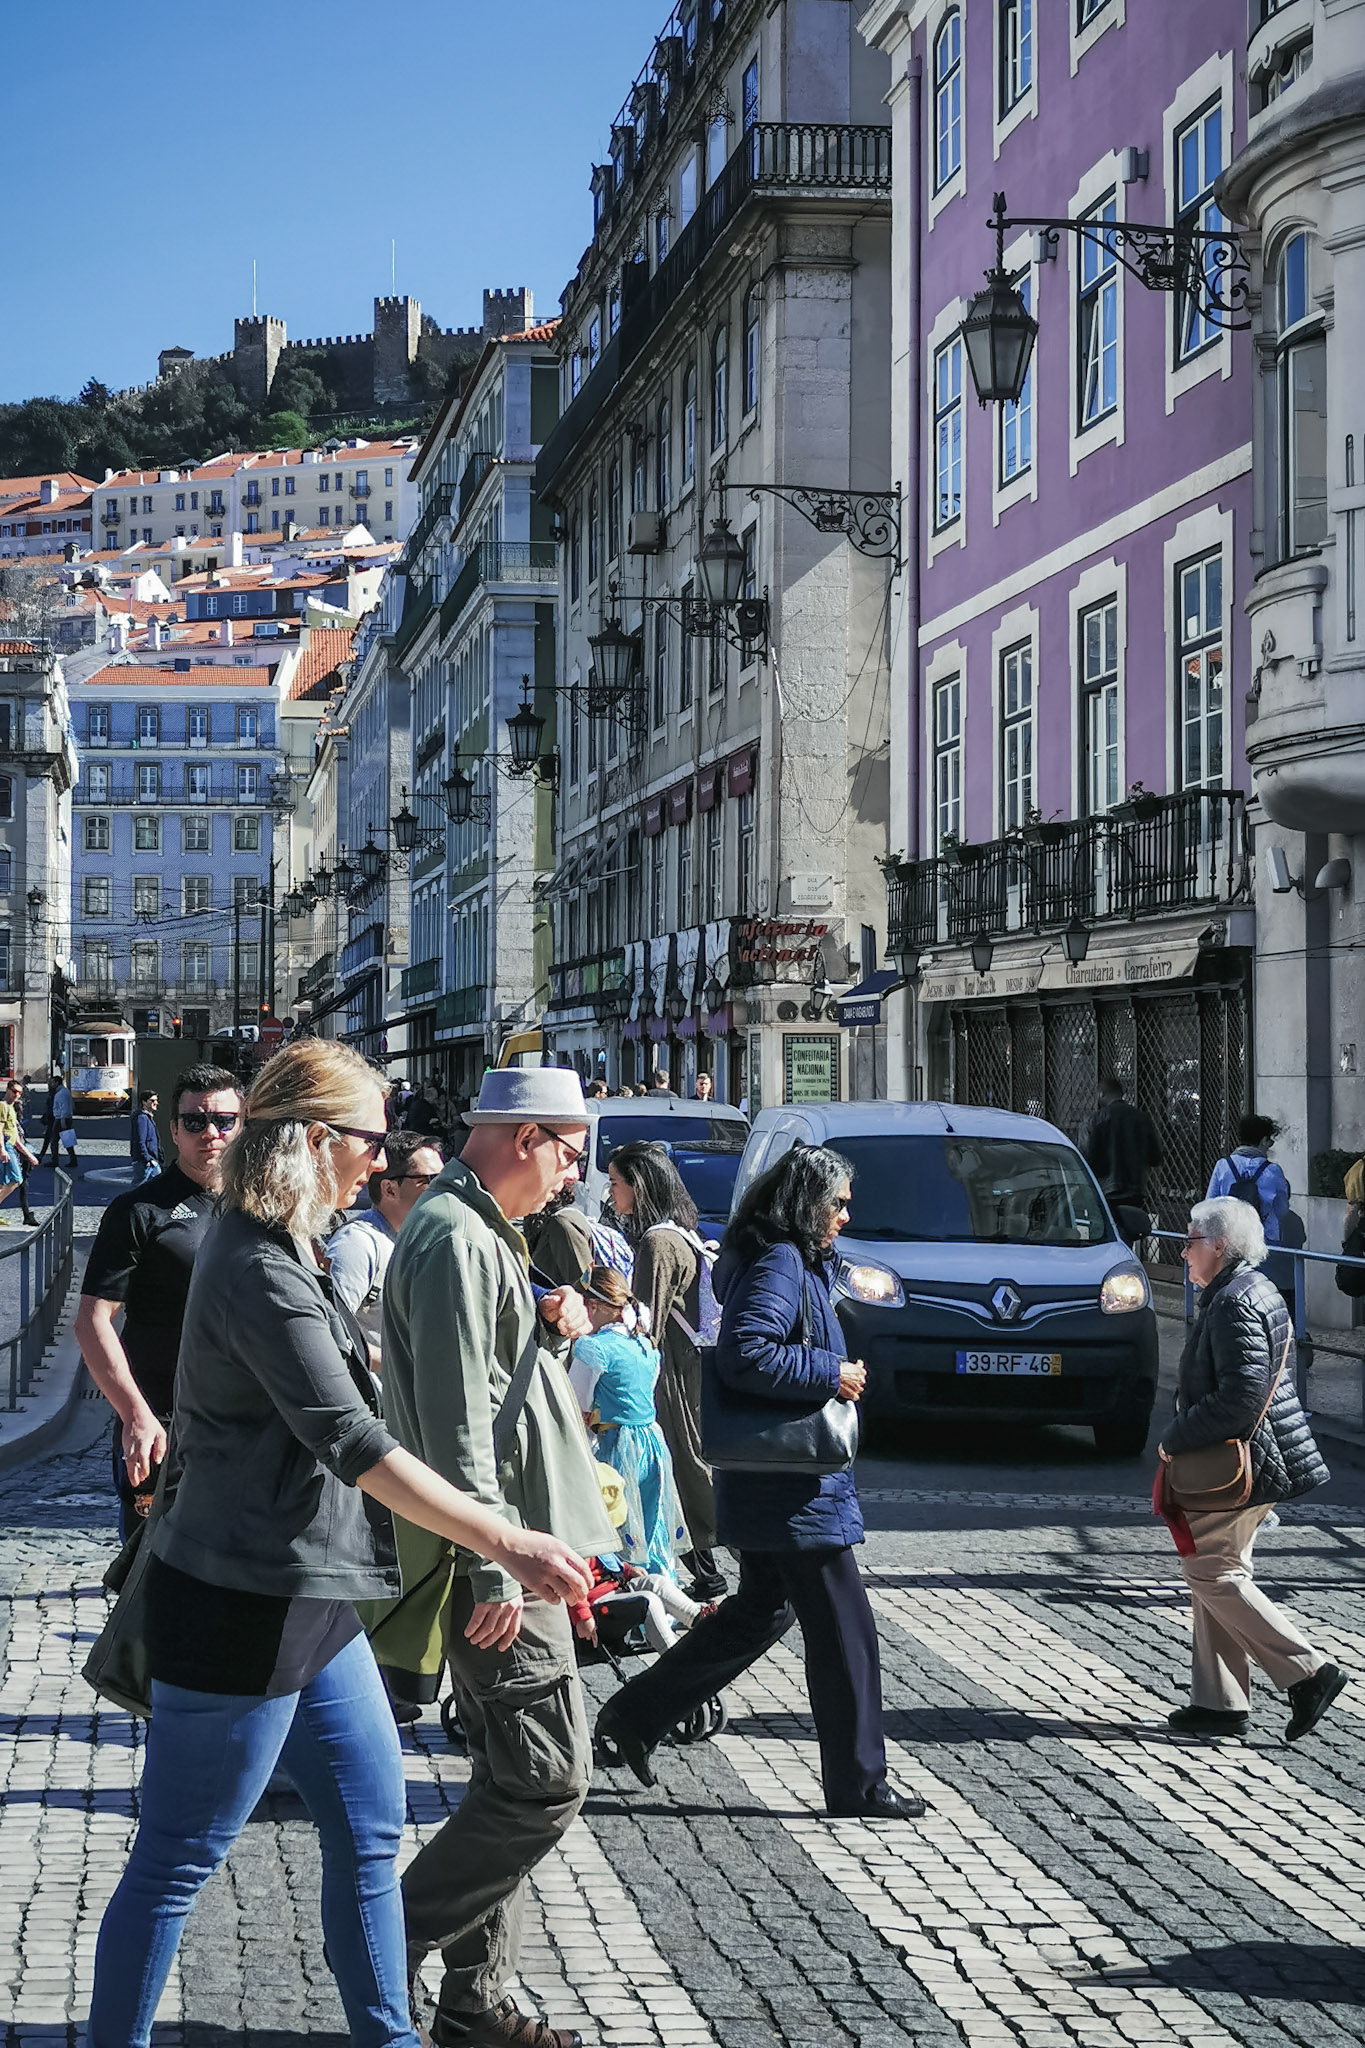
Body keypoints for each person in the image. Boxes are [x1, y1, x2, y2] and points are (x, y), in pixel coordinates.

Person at [86, 1041, 591, 2048]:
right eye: (370, 1140)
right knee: (179, 1857)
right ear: (316, 1140)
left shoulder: (290, 1243)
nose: (382, 1159)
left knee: (368, 1834)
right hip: (239, 1602)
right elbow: (352, 1440)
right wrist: (503, 1539)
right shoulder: (256, 1263)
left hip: (316, 1597)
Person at [382, 1067, 618, 2048]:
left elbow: (491, 1393)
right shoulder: (455, 1236)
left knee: (507, 1778)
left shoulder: (475, 1228)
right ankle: (386, 1940)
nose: (572, 1179)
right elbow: (456, 1425)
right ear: (527, 1138)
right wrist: (493, 1567)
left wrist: (548, 1333)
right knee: (544, 1781)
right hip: (503, 1560)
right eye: (570, 1156)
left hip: (517, 1550)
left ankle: (474, 2006)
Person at [595, 1144, 922, 1820]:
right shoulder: (780, 1260)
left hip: (775, 1481)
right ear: (805, 1203)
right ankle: (859, 1785)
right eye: (837, 1204)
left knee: (760, 1612)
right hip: (793, 1488)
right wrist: (831, 1373)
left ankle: (632, 1717)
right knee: (847, 1632)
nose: (845, 1216)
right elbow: (748, 1352)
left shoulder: (784, 1256)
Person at [1160, 1194, 1345, 1741]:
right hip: (1257, 1457)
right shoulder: (1247, 1288)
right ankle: (1220, 1702)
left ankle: (1308, 1672)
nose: (1184, 1253)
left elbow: (1240, 1397)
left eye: (1190, 1241)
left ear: (1219, 1246)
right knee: (1218, 1570)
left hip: (1242, 1464)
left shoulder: (1233, 1301)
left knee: (1210, 1572)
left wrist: (1174, 1438)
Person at [75, 1065, 242, 1538]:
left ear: (242, 1126)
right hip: (162, 1420)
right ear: (173, 1129)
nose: (210, 1132)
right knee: (150, 1564)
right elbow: (92, 1321)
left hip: (244, 1422)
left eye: (224, 1121)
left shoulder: (259, 1209)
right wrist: (134, 1414)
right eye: (195, 1121)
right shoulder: (138, 1211)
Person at [608, 1141, 724, 1600]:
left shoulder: (658, 1242)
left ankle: (731, 1560)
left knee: (680, 1466)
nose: (610, 1192)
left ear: (638, 1186)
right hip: (686, 1367)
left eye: (615, 1183)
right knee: (682, 1466)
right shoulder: (680, 1232)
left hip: (670, 1372)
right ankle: (706, 1569)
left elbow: (645, 1322)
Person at [569, 1267, 686, 1578]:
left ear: (593, 1306)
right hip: (652, 1444)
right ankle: (664, 1592)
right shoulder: (646, 1345)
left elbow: (576, 1405)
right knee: (651, 1523)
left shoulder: (593, 1348)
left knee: (617, 1523)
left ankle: (626, 1591)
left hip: (616, 1446)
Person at [327, 1131, 445, 1365]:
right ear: (390, 1189)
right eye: (430, 1180)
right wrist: (403, 1364)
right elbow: (329, 1335)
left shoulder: (428, 1238)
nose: (444, 1189)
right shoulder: (358, 1244)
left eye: (445, 1177)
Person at [1083, 1076, 1162, 1210]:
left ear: (1101, 1093)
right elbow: (1155, 1158)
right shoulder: (1141, 1118)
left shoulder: (1094, 1120)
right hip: (1135, 1190)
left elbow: (1086, 1158)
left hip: (1104, 1190)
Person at [0, 1077, 39, 1228]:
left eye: (20, 1093)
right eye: (14, 1091)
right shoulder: (3, 1106)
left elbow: (16, 1138)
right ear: (8, 1090)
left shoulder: (12, 1108)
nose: (17, 1095)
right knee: (17, 1179)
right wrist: (2, 1149)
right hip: (6, 1147)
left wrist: (29, 1155)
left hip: (11, 1146)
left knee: (3, 1182)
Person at [130, 1091, 162, 1185]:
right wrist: (147, 1159)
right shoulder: (142, 1118)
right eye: (152, 1100)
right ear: (144, 1102)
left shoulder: (146, 1117)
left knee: (156, 1187)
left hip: (150, 1161)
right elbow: (140, 1141)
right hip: (145, 1163)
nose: (156, 1103)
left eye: (156, 1100)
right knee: (139, 1187)